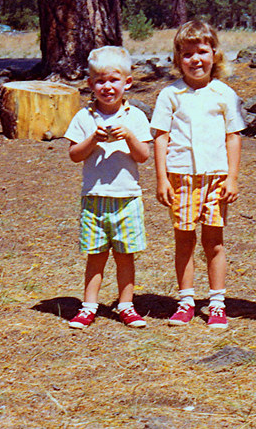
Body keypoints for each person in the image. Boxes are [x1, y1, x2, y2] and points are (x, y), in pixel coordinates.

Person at [151, 20, 244, 329]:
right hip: (181, 177)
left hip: (215, 177)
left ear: (214, 54)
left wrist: (231, 178)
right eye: (188, 53)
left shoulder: (223, 94)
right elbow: (161, 136)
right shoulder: (170, 95)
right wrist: (162, 178)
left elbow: (233, 136)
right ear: (178, 58)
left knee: (214, 241)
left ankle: (217, 302)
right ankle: (186, 300)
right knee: (184, 240)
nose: (196, 60)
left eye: (202, 51)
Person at [65, 46, 153, 329]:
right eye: (100, 81)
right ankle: (89, 305)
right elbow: (74, 154)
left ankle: (126, 304)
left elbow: (143, 156)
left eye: (114, 80)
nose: (107, 87)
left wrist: (127, 136)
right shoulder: (84, 118)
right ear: (91, 84)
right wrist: (93, 139)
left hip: (127, 198)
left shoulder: (135, 117)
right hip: (94, 198)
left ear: (127, 82)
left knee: (125, 255)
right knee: (96, 254)